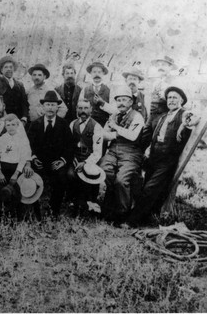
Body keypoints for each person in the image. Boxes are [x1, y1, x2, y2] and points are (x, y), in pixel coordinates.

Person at [125, 86, 199, 227]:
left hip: (167, 161)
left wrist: (184, 125)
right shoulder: (164, 116)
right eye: (169, 98)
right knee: (142, 184)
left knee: (150, 189)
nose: (171, 100)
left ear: (181, 100)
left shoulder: (183, 113)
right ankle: (145, 218)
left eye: (174, 98)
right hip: (154, 157)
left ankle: (131, 221)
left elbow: (195, 118)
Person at [99, 85, 145, 225]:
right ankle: (109, 208)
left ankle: (123, 213)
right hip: (113, 150)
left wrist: (116, 129)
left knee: (121, 180)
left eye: (124, 100)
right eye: (118, 100)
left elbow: (132, 136)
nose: (121, 103)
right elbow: (103, 134)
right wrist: (116, 134)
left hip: (131, 153)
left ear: (131, 102)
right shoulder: (114, 115)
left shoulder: (137, 116)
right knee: (104, 171)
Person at [28, 90, 72, 217]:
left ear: (57, 107)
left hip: (56, 162)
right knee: (31, 177)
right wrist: (34, 157)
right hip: (39, 162)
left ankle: (54, 210)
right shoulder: (35, 124)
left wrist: (62, 160)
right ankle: (35, 210)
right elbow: (29, 144)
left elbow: (69, 145)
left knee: (61, 178)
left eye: (53, 105)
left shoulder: (63, 124)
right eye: (48, 104)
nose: (50, 107)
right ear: (43, 106)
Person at [66, 99, 104, 214]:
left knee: (89, 176)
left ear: (91, 109)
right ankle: (73, 201)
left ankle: (91, 202)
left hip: (90, 159)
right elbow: (69, 145)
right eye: (80, 108)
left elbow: (97, 152)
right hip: (75, 158)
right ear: (77, 109)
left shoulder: (96, 126)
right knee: (70, 174)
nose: (83, 111)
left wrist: (86, 162)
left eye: (86, 108)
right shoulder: (73, 124)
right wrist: (72, 158)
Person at [0, 114, 32, 217]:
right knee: (2, 191)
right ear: (5, 126)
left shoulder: (22, 139)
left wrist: (16, 173)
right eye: (8, 125)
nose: (10, 127)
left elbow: (24, 157)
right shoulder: (1, 139)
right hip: (3, 169)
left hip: (16, 169)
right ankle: (1, 213)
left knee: (17, 190)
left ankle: (17, 215)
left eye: (13, 124)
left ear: (17, 125)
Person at [0, 55, 28, 125]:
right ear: (1, 70)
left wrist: (24, 118)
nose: (9, 69)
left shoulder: (20, 85)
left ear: (14, 69)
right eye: (6, 67)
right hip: (3, 120)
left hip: (19, 121)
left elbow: (24, 103)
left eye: (11, 67)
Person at [79, 61, 111, 127]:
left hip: (104, 125)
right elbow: (79, 108)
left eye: (99, 72)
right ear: (90, 73)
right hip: (87, 124)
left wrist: (103, 103)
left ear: (103, 73)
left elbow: (113, 110)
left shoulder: (109, 90)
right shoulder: (85, 90)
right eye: (94, 72)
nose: (97, 74)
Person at [149, 56, 177, 125]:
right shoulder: (156, 82)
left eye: (163, 65)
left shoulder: (174, 82)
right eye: (158, 65)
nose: (160, 67)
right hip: (152, 115)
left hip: (164, 116)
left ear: (170, 67)